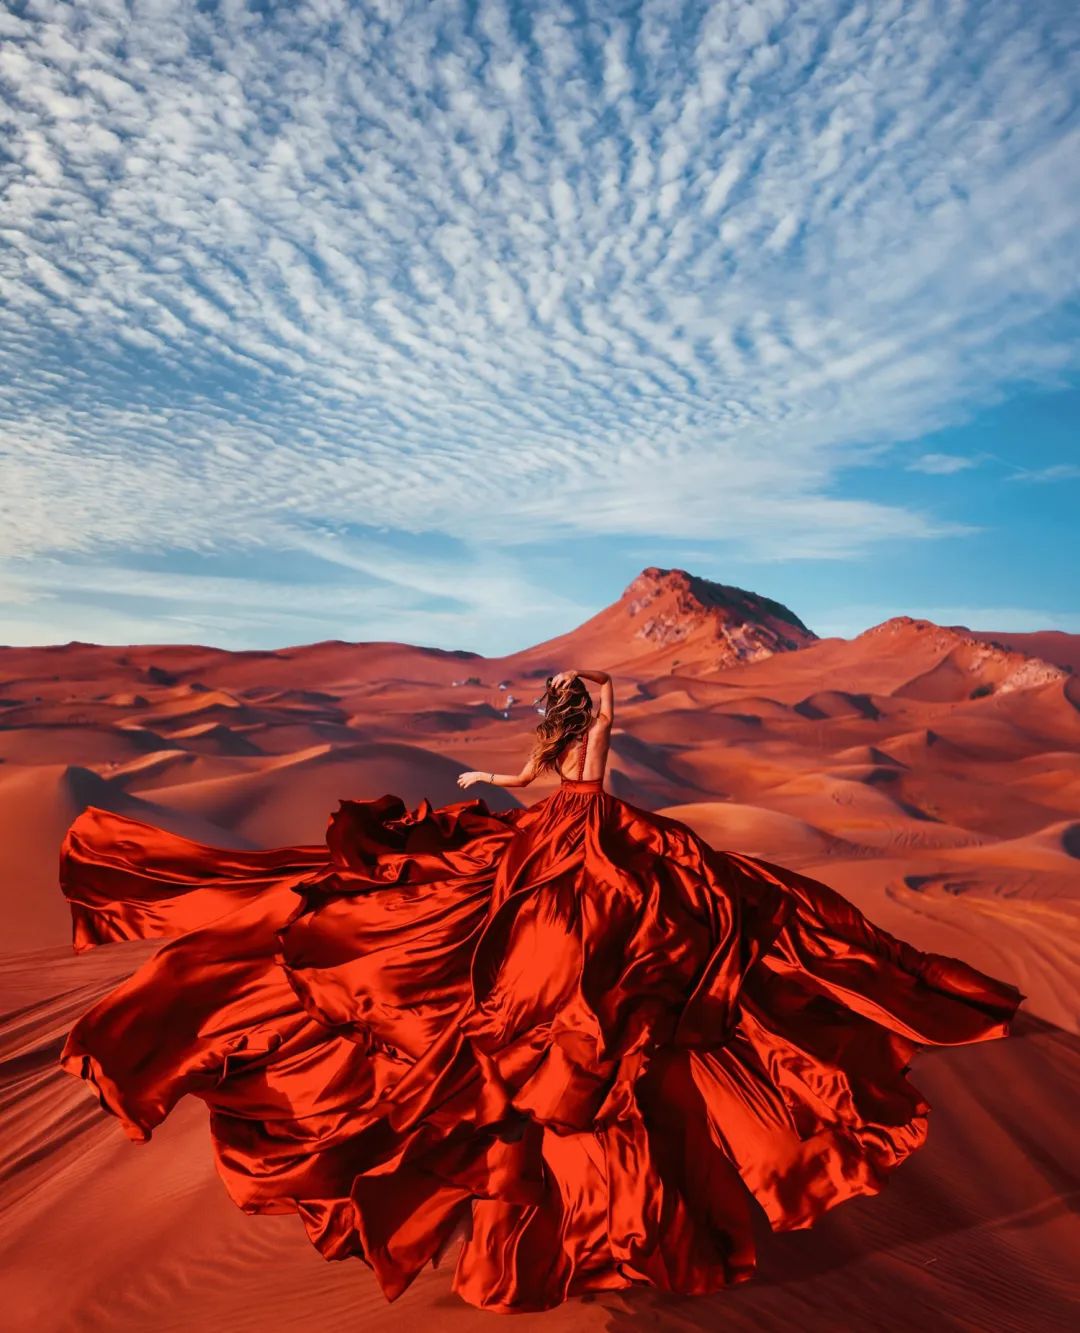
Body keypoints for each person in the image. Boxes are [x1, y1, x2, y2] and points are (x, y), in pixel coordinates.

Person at [58, 667, 1021, 1314]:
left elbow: (561, 751)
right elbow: (534, 763)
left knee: (601, 929)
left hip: (581, 832)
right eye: (579, 702)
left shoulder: (579, 732)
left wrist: (573, 709)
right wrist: (499, 762)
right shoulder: (575, 737)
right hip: (577, 828)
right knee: (522, 933)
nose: (580, 708)